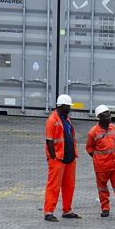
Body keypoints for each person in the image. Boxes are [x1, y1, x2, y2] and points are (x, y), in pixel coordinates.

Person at [85, 105, 115, 219]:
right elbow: (89, 149)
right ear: (99, 117)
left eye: (109, 114)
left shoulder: (114, 128)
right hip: (101, 166)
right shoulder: (93, 132)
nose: (109, 116)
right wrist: (98, 159)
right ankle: (105, 208)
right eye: (106, 114)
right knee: (102, 188)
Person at [43, 94, 81, 222]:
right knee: (53, 186)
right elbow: (49, 141)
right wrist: (53, 158)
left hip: (69, 158)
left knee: (69, 185)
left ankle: (67, 210)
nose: (70, 108)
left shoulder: (66, 119)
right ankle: (48, 212)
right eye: (68, 106)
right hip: (58, 159)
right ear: (62, 106)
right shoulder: (52, 120)